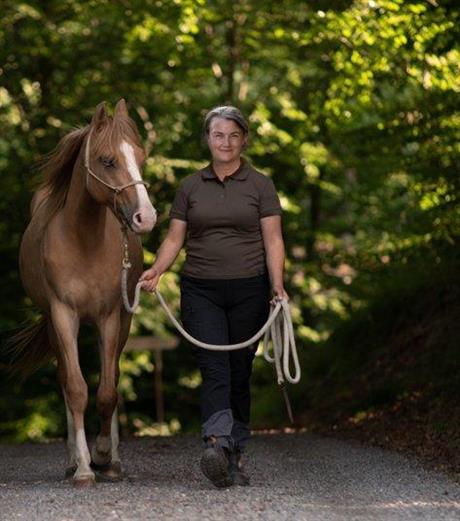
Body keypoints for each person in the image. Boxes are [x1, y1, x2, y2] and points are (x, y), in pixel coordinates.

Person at [140, 105, 288, 488]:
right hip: (200, 288)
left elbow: (273, 239)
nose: (226, 142)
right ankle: (216, 442)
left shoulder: (261, 185)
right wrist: (157, 269)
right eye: (218, 135)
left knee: (239, 370)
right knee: (215, 365)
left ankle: (234, 452)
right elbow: (175, 238)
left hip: (250, 288)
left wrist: (277, 285)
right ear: (208, 139)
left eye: (233, 135)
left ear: (244, 140)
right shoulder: (190, 186)